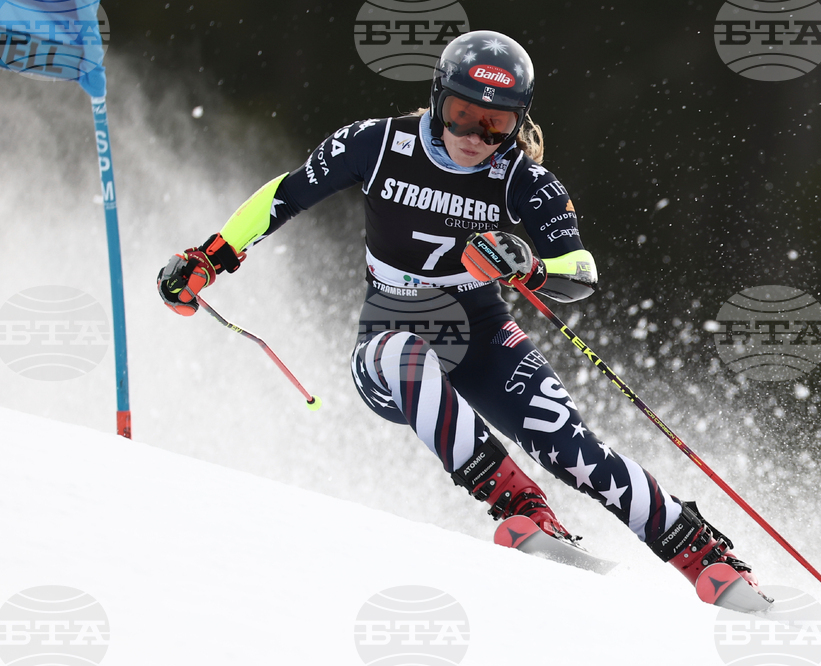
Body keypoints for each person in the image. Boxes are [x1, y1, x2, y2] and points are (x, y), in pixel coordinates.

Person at [158, 30, 764, 601]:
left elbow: (581, 271)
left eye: (495, 123)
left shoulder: (522, 178)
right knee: (403, 356)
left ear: (516, 123)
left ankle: (701, 555)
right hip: (389, 330)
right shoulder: (375, 144)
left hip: (480, 331)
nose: (474, 134)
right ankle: (525, 510)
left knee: (567, 444)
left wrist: (526, 266)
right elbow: (283, 195)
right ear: (437, 100)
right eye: (461, 114)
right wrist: (209, 259)